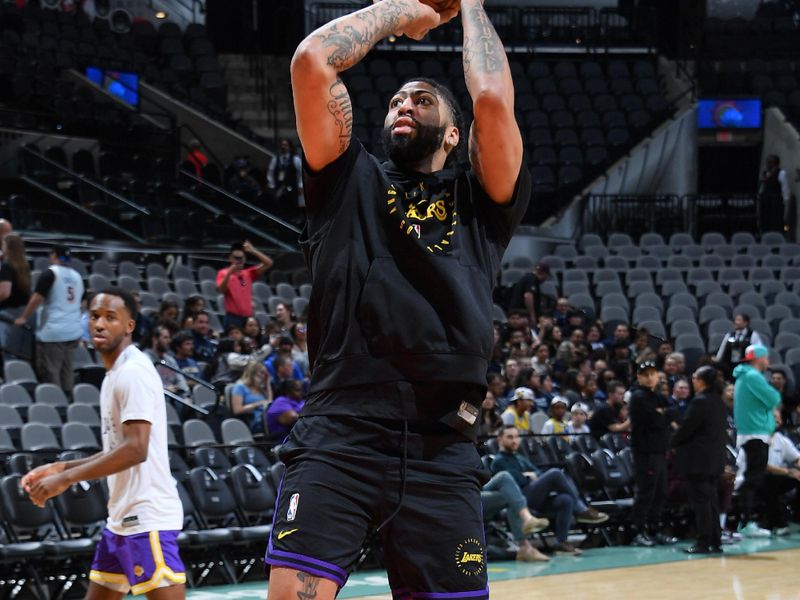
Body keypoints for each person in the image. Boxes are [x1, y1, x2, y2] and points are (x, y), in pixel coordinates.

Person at [268, 0, 530, 597]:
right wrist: (407, 8)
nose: (403, 105)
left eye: (422, 100)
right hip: (341, 434)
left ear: (455, 133)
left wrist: (469, 6)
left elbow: (492, 101)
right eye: (394, 101)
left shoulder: (481, 200)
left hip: (443, 446)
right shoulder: (345, 177)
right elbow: (312, 62)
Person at [21, 288, 185, 598]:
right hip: (121, 520)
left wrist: (66, 479)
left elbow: (136, 450)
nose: (99, 324)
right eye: (94, 316)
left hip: (146, 517)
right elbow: (117, 449)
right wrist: (61, 466)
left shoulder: (133, 373)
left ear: (129, 326)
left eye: (111, 317)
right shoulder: (114, 374)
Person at [491, 426, 609, 556]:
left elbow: (538, 472)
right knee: (555, 473)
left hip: (537, 496)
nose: (515, 440)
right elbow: (518, 481)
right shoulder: (498, 462)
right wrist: (529, 476)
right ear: (499, 439)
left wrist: (530, 475)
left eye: (516, 437)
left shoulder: (520, 457)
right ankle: (582, 510)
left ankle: (561, 543)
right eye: (510, 437)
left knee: (566, 499)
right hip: (521, 501)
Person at [671, 366, 728, 554]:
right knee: (711, 501)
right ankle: (716, 541)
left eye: (695, 377)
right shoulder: (719, 401)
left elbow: (687, 429)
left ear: (702, 381)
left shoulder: (699, 402)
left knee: (702, 503)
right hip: (714, 460)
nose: (692, 380)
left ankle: (704, 542)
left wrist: (672, 441)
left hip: (698, 461)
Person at [14, 245, 83, 393]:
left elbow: (37, 298)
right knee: (67, 371)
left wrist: (23, 317)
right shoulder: (77, 276)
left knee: (50, 371)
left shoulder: (50, 273)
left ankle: (55, 405)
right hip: (73, 331)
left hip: (53, 332)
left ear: (54, 255)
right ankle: (68, 404)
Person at [732, 344, 782, 537]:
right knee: (753, 479)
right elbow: (773, 398)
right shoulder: (753, 376)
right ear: (759, 358)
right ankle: (745, 522)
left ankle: (747, 521)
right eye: (766, 358)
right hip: (755, 434)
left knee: (753, 478)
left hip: (751, 433)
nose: (768, 362)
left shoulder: (745, 376)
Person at [628, 360, 675, 547]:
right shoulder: (638, 397)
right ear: (638, 377)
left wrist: (663, 413)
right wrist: (662, 414)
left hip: (659, 450)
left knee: (660, 492)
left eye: (652, 374)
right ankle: (637, 532)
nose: (649, 378)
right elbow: (655, 420)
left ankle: (654, 530)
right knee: (646, 492)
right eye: (645, 374)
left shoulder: (656, 395)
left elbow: (673, 411)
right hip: (645, 452)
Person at [735, 409, 800, 535]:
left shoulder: (780, 438)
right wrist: (788, 471)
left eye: (778, 417)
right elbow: (762, 466)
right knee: (770, 483)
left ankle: (795, 517)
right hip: (747, 480)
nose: (776, 420)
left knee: (790, 481)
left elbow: (796, 458)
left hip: (774, 478)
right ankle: (778, 523)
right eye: (773, 417)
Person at [480, 471, 550, 562]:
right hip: (462, 497)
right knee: (512, 497)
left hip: (477, 488)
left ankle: (527, 524)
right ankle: (525, 545)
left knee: (504, 477)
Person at [216, 241, 273, 329]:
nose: (240, 260)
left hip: (247, 319)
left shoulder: (248, 273)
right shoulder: (223, 273)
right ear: (230, 258)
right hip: (233, 318)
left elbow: (269, 263)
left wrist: (253, 251)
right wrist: (230, 272)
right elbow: (220, 290)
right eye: (236, 258)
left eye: (242, 258)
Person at [144, 324, 190, 397]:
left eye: (169, 338)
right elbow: (145, 382)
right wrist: (165, 388)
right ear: (155, 339)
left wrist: (184, 392)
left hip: (173, 398)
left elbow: (180, 380)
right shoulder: (145, 358)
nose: (169, 341)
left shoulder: (170, 360)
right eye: (165, 338)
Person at [231, 361, 272, 434]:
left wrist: (267, 384)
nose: (264, 376)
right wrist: (257, 404)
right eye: (262, 372)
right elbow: (237, 410)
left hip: (266, 417)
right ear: (252, 374)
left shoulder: (259, 387)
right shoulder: (240, 387)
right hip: (255, 421)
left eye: (266, 373)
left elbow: (269, 402)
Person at [267, 137, 304, 209]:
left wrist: (300, 185)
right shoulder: (275, 159)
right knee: (280, 206)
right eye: (282, 145)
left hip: (292, 187)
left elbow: (301, 173)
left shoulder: (295, 159)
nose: (283, 147)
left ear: (290, 147)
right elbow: (270, 172)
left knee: (292, 206)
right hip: (279, 187)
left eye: (286, 145)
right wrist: (272, 184)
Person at [758, 154, 791, 233]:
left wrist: (785, 204)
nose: (768, 164)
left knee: (775, 223)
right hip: (765, 200)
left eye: (770, 162)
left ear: (776, 164)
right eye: (767, 162)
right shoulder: (765, 173)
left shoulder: (781, 173)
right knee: (765, 222)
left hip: (776, 201)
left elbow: (785, 189)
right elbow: (762, 187)